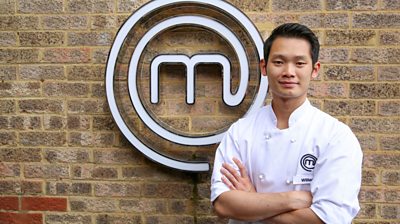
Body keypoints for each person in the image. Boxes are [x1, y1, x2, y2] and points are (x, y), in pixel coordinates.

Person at [210, 23, 363, 224]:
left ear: (314, 69)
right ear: (264, 67)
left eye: (299, 63)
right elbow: (223, 204)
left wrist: (252, 201)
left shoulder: (335, 136)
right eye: (279, 62)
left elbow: (328, 218)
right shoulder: (240, 132)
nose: (289, 72)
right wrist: (292, 199)